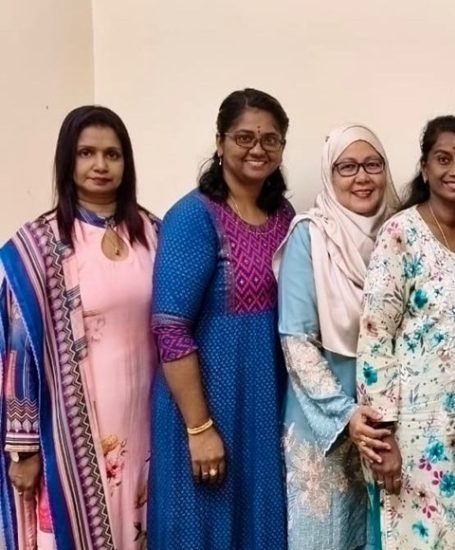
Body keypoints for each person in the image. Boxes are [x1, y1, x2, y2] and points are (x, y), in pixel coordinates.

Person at [0, 106, 159, 549]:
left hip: (147, 422)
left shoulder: (152, 233)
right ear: (67, 160)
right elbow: (18, 352)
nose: (100, 165)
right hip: (69, 433)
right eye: (86, 153)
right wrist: (24, 448)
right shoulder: (39, 246)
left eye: (112, 154)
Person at [148, 88, 294, 548]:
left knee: (256, 527)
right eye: (244, 137)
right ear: (220, 142)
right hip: (205, 406)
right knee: (202, 529)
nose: (258, 148)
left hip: (263, 404)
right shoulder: (192, 217)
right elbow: (170, 328)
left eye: (271, 139)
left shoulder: (284, 216)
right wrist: (200, 428)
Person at [356, 115, 455, 549]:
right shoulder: (401, 233)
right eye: (444, 159)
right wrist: (383, 439)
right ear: (425, 167)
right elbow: (375, 336)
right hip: (413, 434)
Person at [274, 123, 399, 549]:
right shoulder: (310, 237)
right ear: (329, 174)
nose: (362, 177)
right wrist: (346, 415)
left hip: (385, 422)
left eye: (372, 165)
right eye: (347, 167)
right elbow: (296, 340)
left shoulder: (400, 233)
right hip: (323, 423)